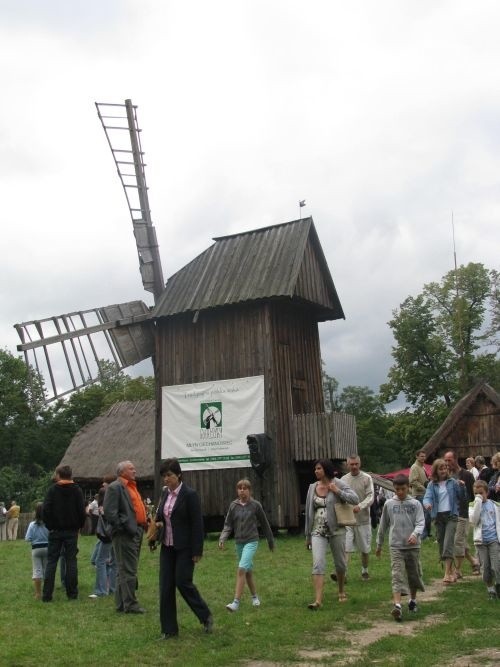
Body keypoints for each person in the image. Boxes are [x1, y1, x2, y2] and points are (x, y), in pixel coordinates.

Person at [151, 457, 213, 639]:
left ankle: (205, 615)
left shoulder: (190, 495)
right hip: (167, 546)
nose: (166, 479)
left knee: (182, 582)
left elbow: (197, 524)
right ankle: (169, 630)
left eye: (169, 475)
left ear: (178, 474)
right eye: (164, 476)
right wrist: (156, 530)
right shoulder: (164, 494)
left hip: (185, 547)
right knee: (165, 586)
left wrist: (197, 550)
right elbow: (162, 517)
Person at [305, 458, 359, 608]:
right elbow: (309, 513)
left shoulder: (338, 483)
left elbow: (355, 499)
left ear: (326, 469)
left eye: (319, 468)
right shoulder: (312, 487)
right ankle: (318, 601)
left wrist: (337, 491)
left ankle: (341, 591)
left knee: (340, 564)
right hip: (317, 531)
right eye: (315, 469)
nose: (316, 471)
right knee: (318, 564)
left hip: (337, 530)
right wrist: (307, 535)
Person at [219, 478, 274, 612]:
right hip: (239, 542)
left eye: (245, 488)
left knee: (241, 569)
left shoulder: (256, 505)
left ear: (250, 491)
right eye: (240, 488)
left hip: (251, 541)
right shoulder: (233, 506)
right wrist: (222, 538)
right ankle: (255, 597)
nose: (242, 491)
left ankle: (235, 603)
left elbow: (265, 524)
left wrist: (270, 541)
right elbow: (228, 524)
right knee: (248, 572)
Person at [376, 474, 425, 621]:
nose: (400, 492)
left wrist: (415, 534)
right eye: (397, 489)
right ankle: (397, 605)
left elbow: (420, 522)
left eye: (403, 489)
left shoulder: (415, 504)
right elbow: (383, 525)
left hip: (412, 546)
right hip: (396, 545)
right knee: (397, 574)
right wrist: (379, 544)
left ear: (408, 487)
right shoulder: (389, 504)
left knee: (413, 574)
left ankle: (413, 600)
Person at [103, 460, 148, 614]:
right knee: (128, 569)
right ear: (122, 472)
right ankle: (130, 604)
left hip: (136, 531)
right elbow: (110, 512)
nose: (135, 471)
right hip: (126, 533)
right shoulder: (115, 487)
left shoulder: (131, 486)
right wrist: (123, 528)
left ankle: (121, 603)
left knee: (125, 568)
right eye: (131, 468)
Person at [42, 465, 87, 601]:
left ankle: (47, 595)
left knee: (51, 562)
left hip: (55, 531)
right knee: (71, 561)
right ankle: (72, 593)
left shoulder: (52, 490)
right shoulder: (77, 490)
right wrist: (79, 526)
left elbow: (46, 510)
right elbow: (81, 511)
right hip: (71, 531)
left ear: (59, 475)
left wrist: (50, 526)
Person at [423, 458, 465, 584]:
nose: (444, 470)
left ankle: (447, 573)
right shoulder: (431, 485)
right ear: (436, 470)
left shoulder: (453, 482)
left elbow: (462, 497)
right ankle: (451, 571)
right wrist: (427, 505)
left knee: (448, 543)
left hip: (451, 515)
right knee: (441, 544)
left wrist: (462, 487)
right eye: (441, 468)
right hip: (438, 517)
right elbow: (427, 498)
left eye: (445, 468)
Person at [443, 450, 480, 577]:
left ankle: (457, 570)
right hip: (449, 514)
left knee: (458, 541)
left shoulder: (467, 475)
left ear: (456, 459)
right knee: (458, 541)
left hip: (462, 512)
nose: (447, 463)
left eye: (449, 460)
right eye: (445, 460)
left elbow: (472, 495)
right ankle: (474, 562)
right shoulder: (446, 476)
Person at [341, 455, 374, 580]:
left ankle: (365, 570)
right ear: (347, 465)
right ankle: (343, 573)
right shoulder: (343, 480)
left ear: (359, 464)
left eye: (356, 464)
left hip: (363, 520)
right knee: (346, 548)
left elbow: (370, 496)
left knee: (365, 549)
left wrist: (360, 506)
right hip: (348, 520)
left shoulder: (367, 478)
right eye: (351, 464)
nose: (354, 466)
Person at [470, 479, 500, 600]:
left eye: (481, 493)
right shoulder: (472, 506)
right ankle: (490, 589)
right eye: (476, 494)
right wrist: (477, 503)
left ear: (487, 492)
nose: (479, 496)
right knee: (486, 567)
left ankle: (498, 584)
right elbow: (473, 521)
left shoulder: (495, 505)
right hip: (481, 542)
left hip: (493, 540)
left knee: (496, 565)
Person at [89, 480, 116, 599]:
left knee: (100, 561)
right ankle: (113, 588)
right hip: (115, 535)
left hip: (106, 537)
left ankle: (101, 590)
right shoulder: (115, 504)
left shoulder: (103, 507)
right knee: (114, 563)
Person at [25, 502, 49, 600]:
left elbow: (27, 538)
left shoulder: (32, 524)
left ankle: (38, 593)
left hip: (36, 549)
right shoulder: (49, 523)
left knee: (37, 571)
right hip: (48, 548)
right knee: (47, 570)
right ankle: (47, 591)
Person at [409, 450, 431, 539]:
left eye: (424, 456)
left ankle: (426, 533)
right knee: (425, 515)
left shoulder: (423, 467)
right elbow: (412, 481)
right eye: (421, 456)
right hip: (419, 494)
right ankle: (423, 534)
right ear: (417, 457)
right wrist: (424, 489)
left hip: (424, 493)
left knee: (427, 514)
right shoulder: (414, 467)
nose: (423, 458)